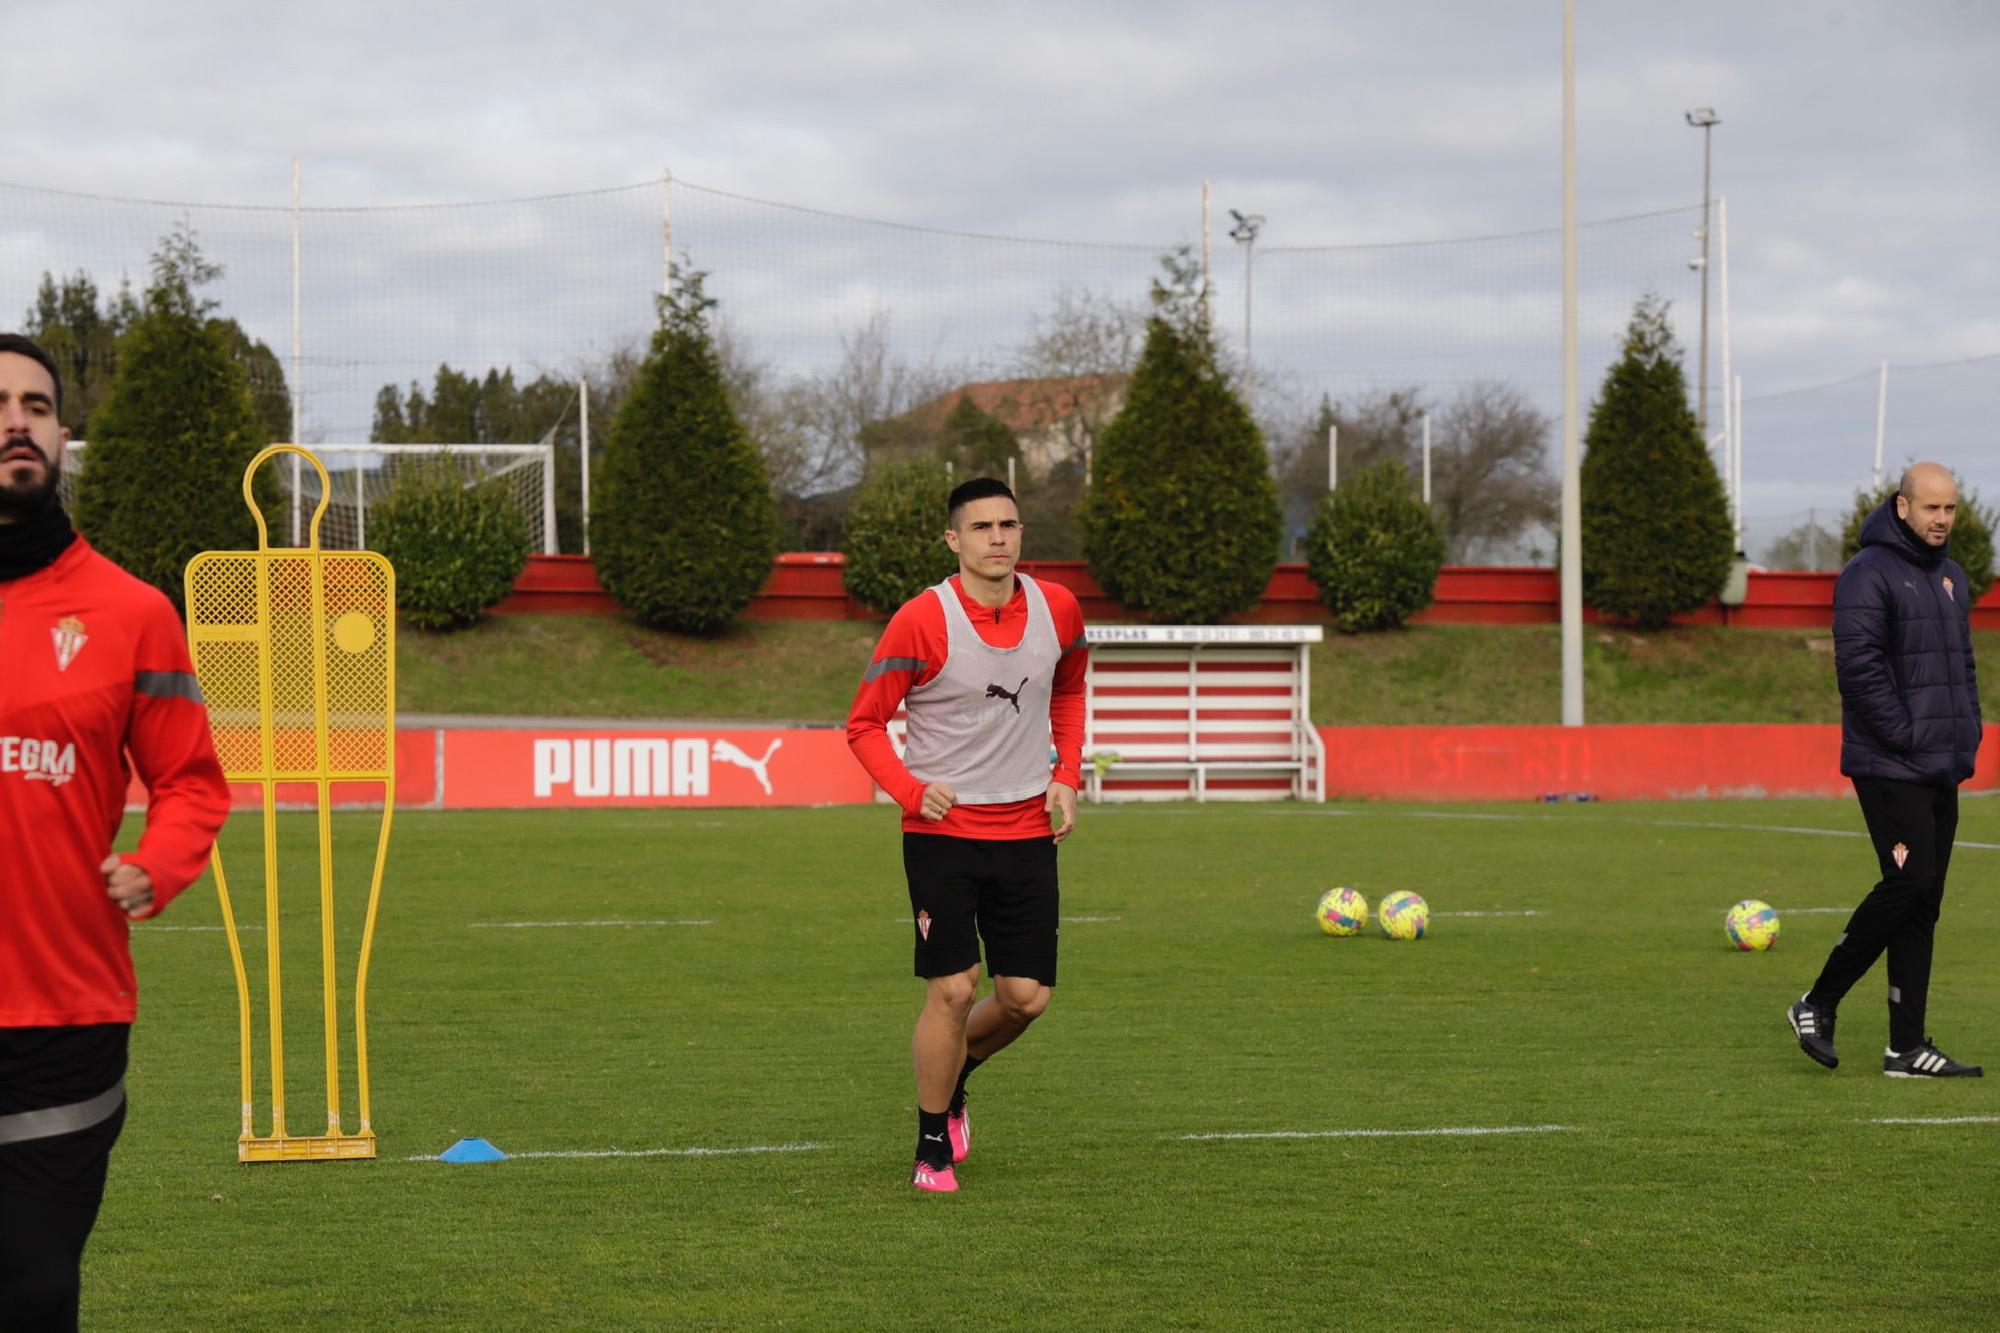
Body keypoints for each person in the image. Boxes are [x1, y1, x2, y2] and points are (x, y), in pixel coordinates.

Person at [0, 333, 232, 1328]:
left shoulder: (132, 612)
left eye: (39, 407)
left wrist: (156, 862)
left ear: (60, 436)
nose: (17, 420)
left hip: (66, 1017)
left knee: (36, 1289)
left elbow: (190, 780)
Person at [847, 476, 1088, 1192]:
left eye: (1008, 525)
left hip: (1027, 828)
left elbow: (1070, 687)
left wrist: (1067, 774)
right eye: (980, 527)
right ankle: (930, 1145)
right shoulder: (921, 620)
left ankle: (957, 1080)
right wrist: (914, 791)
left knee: (1025, 998)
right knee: (953, 988)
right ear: (954, 540)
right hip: (943, 833)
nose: (997, 538)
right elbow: (863, 725)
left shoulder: (1060, 608)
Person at [1789, 461, 1983, 1078]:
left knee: (1924, 900)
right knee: (1905, 884)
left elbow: (1965, 671)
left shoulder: (1952, 577)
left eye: (1950, 509)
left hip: (1940, 763)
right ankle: (1817, 1003)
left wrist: (1967, 731)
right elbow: (1860, 673)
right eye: (1931, 508)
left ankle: (1906, 1047)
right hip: (1889, 762)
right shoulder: (1866, 574)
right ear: (1902, 507)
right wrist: (1907, 737)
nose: (1942, 520)